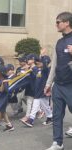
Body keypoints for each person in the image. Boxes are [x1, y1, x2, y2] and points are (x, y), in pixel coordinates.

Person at [44, 12, 72, 150]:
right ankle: (57, 142)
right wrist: (49, 83)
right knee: (56, 115)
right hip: (58, 85)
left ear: (67, 23)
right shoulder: (59, 42)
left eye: (58, 22)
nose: (56, 24)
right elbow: (54, 64)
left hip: (71, 85)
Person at [22, 56, 52, 127]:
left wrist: (41, 56)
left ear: (45, 63)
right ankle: (50, 117)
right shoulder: (39, 70)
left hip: (43, 90)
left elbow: (44, 65)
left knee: (41, 105)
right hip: (38, 91)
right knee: (43, 106)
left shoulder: (46, 70)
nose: (38, 62)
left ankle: (31, 120)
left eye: (40, 62)